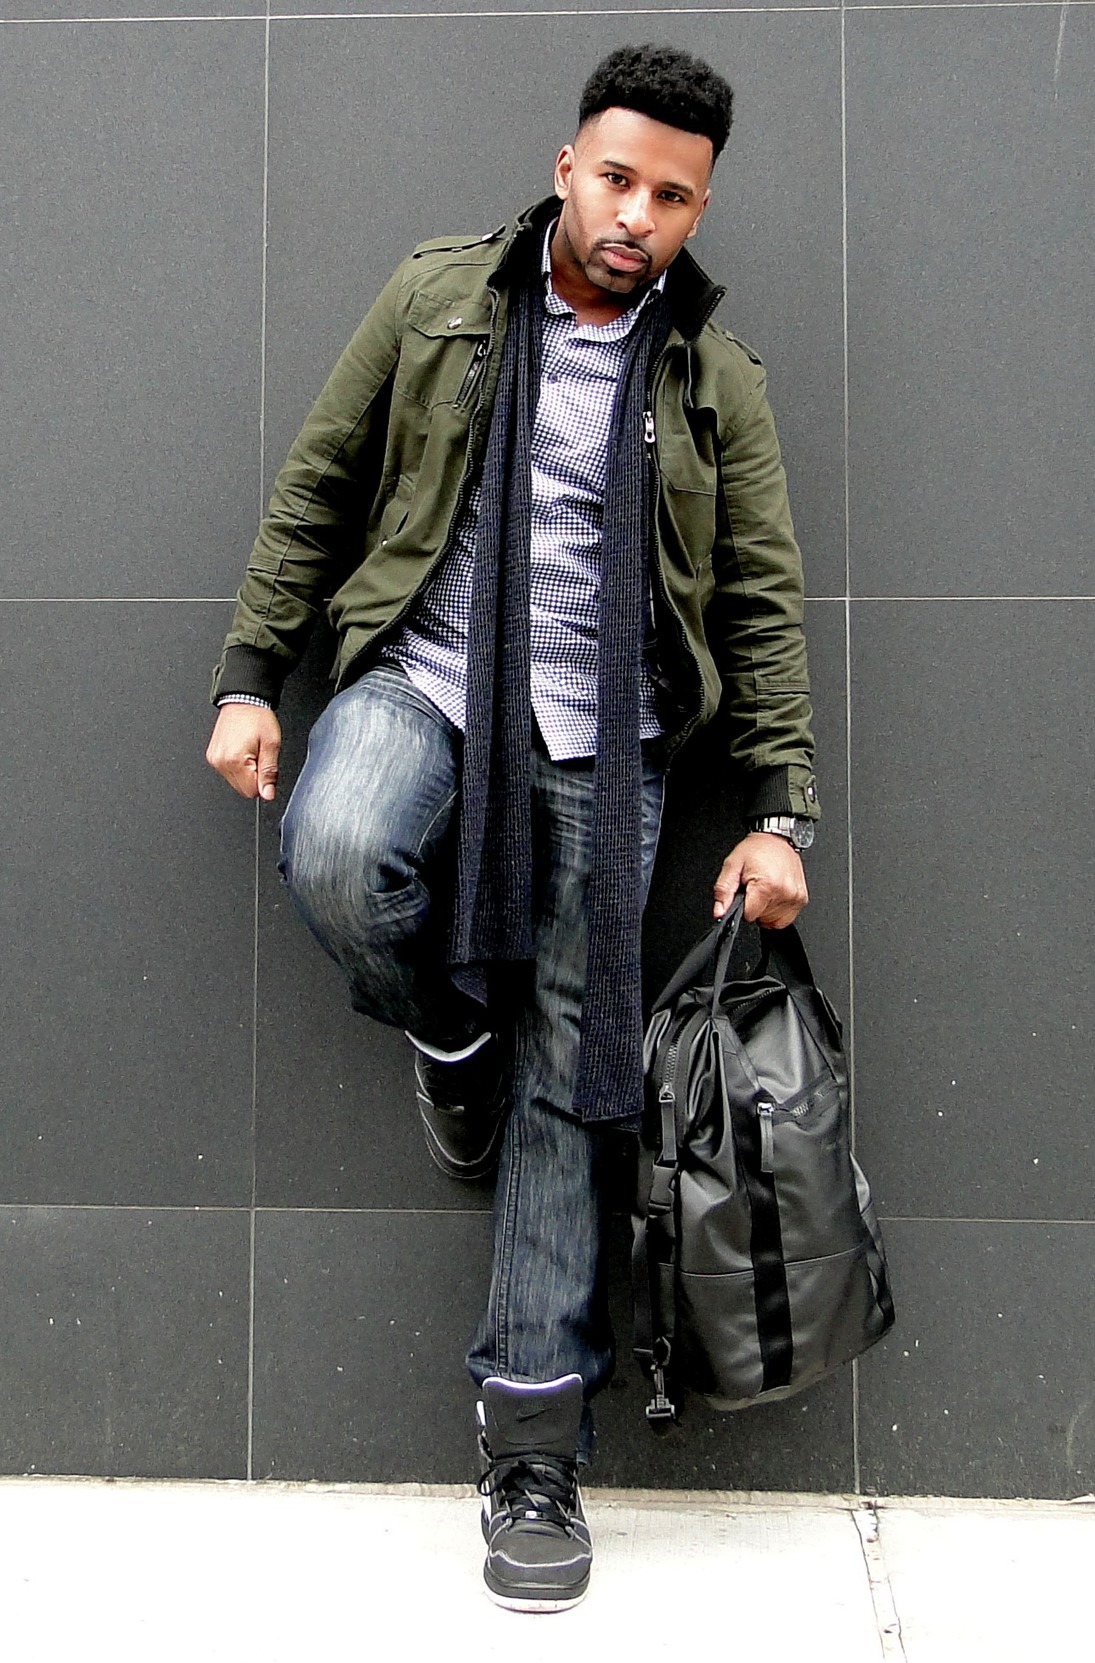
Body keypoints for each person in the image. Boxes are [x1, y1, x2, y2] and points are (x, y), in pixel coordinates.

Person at [206, 42, 818, 1612]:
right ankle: (450, 1044)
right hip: (430, 682)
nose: (637, 216)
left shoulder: (714, 379)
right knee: (341, 851)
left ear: (697, 210)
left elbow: (760, 606)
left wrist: (780, 813)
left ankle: (535, 1452)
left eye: (671, 196)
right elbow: (322, 479)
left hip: (607, 744)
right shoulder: (440, 297)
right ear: (566, 169)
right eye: (617, 179)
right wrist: (252, 675)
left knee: (577, 1080)